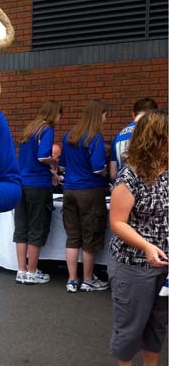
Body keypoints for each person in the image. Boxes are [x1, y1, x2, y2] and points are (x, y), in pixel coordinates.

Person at [108, 109, 168, 366]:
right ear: (155, 139)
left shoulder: (167, 169)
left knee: (159, 319)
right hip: (134, 263)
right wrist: (146, 246)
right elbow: (117, 222)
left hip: (164, 264)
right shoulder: (130, 176)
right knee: (131, 320)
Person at [59, 100, 109, 293]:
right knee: (90, 237)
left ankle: (72, 280)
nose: (105, 119)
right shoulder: (95, 137)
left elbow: (62, 165)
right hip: (90, 191)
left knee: (72, 237)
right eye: (105, 115)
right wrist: (105, 172)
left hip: (69, 190)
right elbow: (97, 167)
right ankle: (88, 279)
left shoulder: (68, 136)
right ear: (99, 115)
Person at [14, 100, 62, 285]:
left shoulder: (29, 130)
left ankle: (21, 271)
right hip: (38, 186)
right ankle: (32, 272)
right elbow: (42, 157)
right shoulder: (47, 130)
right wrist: (55, 163)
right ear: (54, 114)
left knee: (22, 229)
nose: (59, 119)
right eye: (59, 115)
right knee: (36, 228)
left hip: (22, 183)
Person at [110, 98, 157, 180]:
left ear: (133, 114)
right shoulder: (153, 133)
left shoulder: (118, 136)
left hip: (122, 186)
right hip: (146, 187)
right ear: (154, 115)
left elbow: (113, 173)